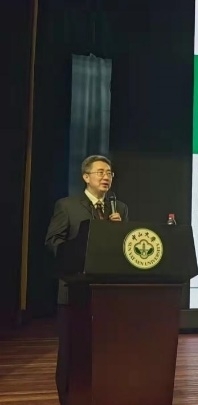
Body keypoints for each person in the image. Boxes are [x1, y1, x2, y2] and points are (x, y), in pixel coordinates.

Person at [45, 155, 128, 405]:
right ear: (86, 177)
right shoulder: (67, 206)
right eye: (100, 172)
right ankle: (68, 399)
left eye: (109, 173)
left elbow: (122, 249)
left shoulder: (119, 208)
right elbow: (53, 242)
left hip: (107, 293)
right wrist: (81, 245)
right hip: (74, 291)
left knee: (105, 350)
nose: (106, 177)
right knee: (71, 352)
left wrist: (119, 232)